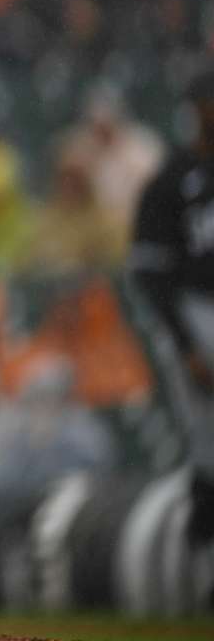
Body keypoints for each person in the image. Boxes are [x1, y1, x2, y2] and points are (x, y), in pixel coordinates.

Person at [129, 65, 214, 544]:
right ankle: (203, 560)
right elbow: (151, 274)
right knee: (209, 446)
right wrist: (185, 345)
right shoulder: (171, 180)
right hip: (197, 310)